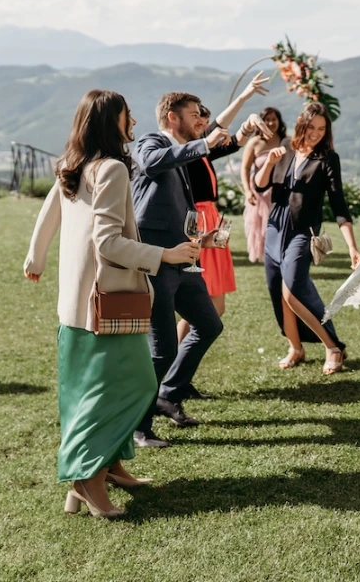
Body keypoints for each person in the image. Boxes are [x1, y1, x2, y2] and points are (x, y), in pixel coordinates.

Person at [23, 90, 199, 517]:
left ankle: (109, 465)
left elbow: (51, 208)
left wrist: (36, 254)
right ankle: (86, 477)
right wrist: (166, 255)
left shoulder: (75, 165)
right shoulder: (113, 169)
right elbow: (108, 242)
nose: (133, 120)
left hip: (77, 304)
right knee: (133, 387)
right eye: (126, 115)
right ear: (109, 123)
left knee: (91, 392)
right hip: (108, 304)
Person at [131, 74, 271, 447]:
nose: (201, 121)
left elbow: (180, 206)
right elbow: (148, 163)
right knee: (161, 350)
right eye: (195, 114)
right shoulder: (152, 142)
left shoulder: (185, 151)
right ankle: (139, 426)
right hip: (157, 261)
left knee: (209, 325)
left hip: (185, 256)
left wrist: (201, 238)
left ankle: (169, 393)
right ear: (173, 117)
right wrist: (205, 142)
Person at [254, 102, 360, 374]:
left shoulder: (327, 158)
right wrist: (269, 161)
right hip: (274, 229)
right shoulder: (286, 147)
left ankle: (333, 347)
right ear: (302, 124)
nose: (316, 133)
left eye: (322, 129)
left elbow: (339, 204)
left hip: (303, 232)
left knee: (293, 292)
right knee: (278, 292)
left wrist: (352, 246)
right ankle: (295, 348)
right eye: (312, 127)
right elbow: (260, 184)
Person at [173, 104, 238, 351]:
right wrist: (245, 95)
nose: (203, 125)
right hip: (199, 222)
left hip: (211, 219)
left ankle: (176, 369)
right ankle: (174, 368)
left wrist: (249, 125)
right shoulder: (186, 151)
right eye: (198, 120)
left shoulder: (203, 152)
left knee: (217, 307)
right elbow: (220, 125)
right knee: (200, 309)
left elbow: (232, 139)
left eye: (205, 121)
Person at [240, 107, 288, 263]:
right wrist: (247, 191)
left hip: (281, 190)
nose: (271, 122)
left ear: (279, 121)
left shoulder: (286, 141)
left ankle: (282, 254)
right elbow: (245, 168)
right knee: (260, 228)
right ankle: (265, 257)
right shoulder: (255, 143)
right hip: (259, 192)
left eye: (274, 119)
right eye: (267, 119)